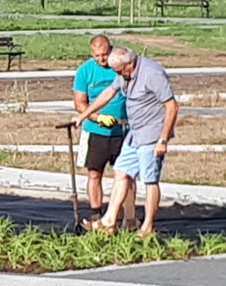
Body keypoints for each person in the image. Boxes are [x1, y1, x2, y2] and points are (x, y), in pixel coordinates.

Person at [72, 47, 179, 238]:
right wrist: (85, 115)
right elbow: (108, 93)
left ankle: (147, 227)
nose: (119, 75)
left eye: (121, 71)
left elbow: (172, 106)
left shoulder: (152, 74)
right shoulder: (124, 73)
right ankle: (109, 221)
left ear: (130, 63)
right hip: (135, 134)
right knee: (121, 172)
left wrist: (163, 139)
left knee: (149, 180)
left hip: (152, 135)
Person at [72, 35, 137, 229]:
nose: (102, 59)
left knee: (126, 174)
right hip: (96, 131)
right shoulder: (85, 72)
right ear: (92, 54)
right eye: (98, 56)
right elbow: (80, 103)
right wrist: (96, 117)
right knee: (94, 174)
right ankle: (96, 215)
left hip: (123, 129)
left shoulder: (120, 67)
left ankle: (129, 217)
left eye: (105, 54)